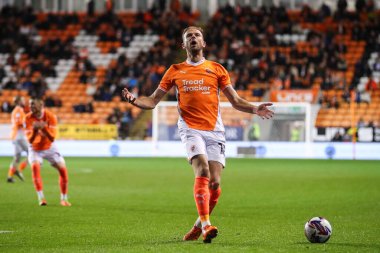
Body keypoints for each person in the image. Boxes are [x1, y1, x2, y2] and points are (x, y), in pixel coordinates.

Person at [122, 26, 274, 243]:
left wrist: (254, 108)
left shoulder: (217, 69)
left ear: (204, 43)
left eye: (197, 35)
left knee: (214, 184)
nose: (193, 38)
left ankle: (196, 226)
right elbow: (153, 100)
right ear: (183, 45)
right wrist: (136, 101)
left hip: (215, 130)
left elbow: (236, 101)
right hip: (190, 129)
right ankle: (206, 225)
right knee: (201, 169)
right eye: (189, 36)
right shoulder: (174, 70)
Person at [24, 98, 71, 207]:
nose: (31, 107)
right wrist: (35, 131)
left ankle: (64, 199)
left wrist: (44, 128)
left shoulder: (51, 117)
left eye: (33, 105)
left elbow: (52, 138)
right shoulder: (27, 118)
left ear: (41, 106)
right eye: (30, 105)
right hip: (35, 148)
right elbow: (30, 140)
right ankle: (41, 198)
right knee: (35, 168)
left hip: (49, 147)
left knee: (63, 170)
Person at [7, 96, 28, 183]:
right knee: (31, 153)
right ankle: (19, 170)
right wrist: (27, 124)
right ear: (19, 102)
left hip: (15, 136)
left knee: (17, 157)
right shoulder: (19, 110)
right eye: (22, 100)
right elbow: (19, 122)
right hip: (19, 136)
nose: (24, 102)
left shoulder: (16, 110)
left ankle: (10, 177)